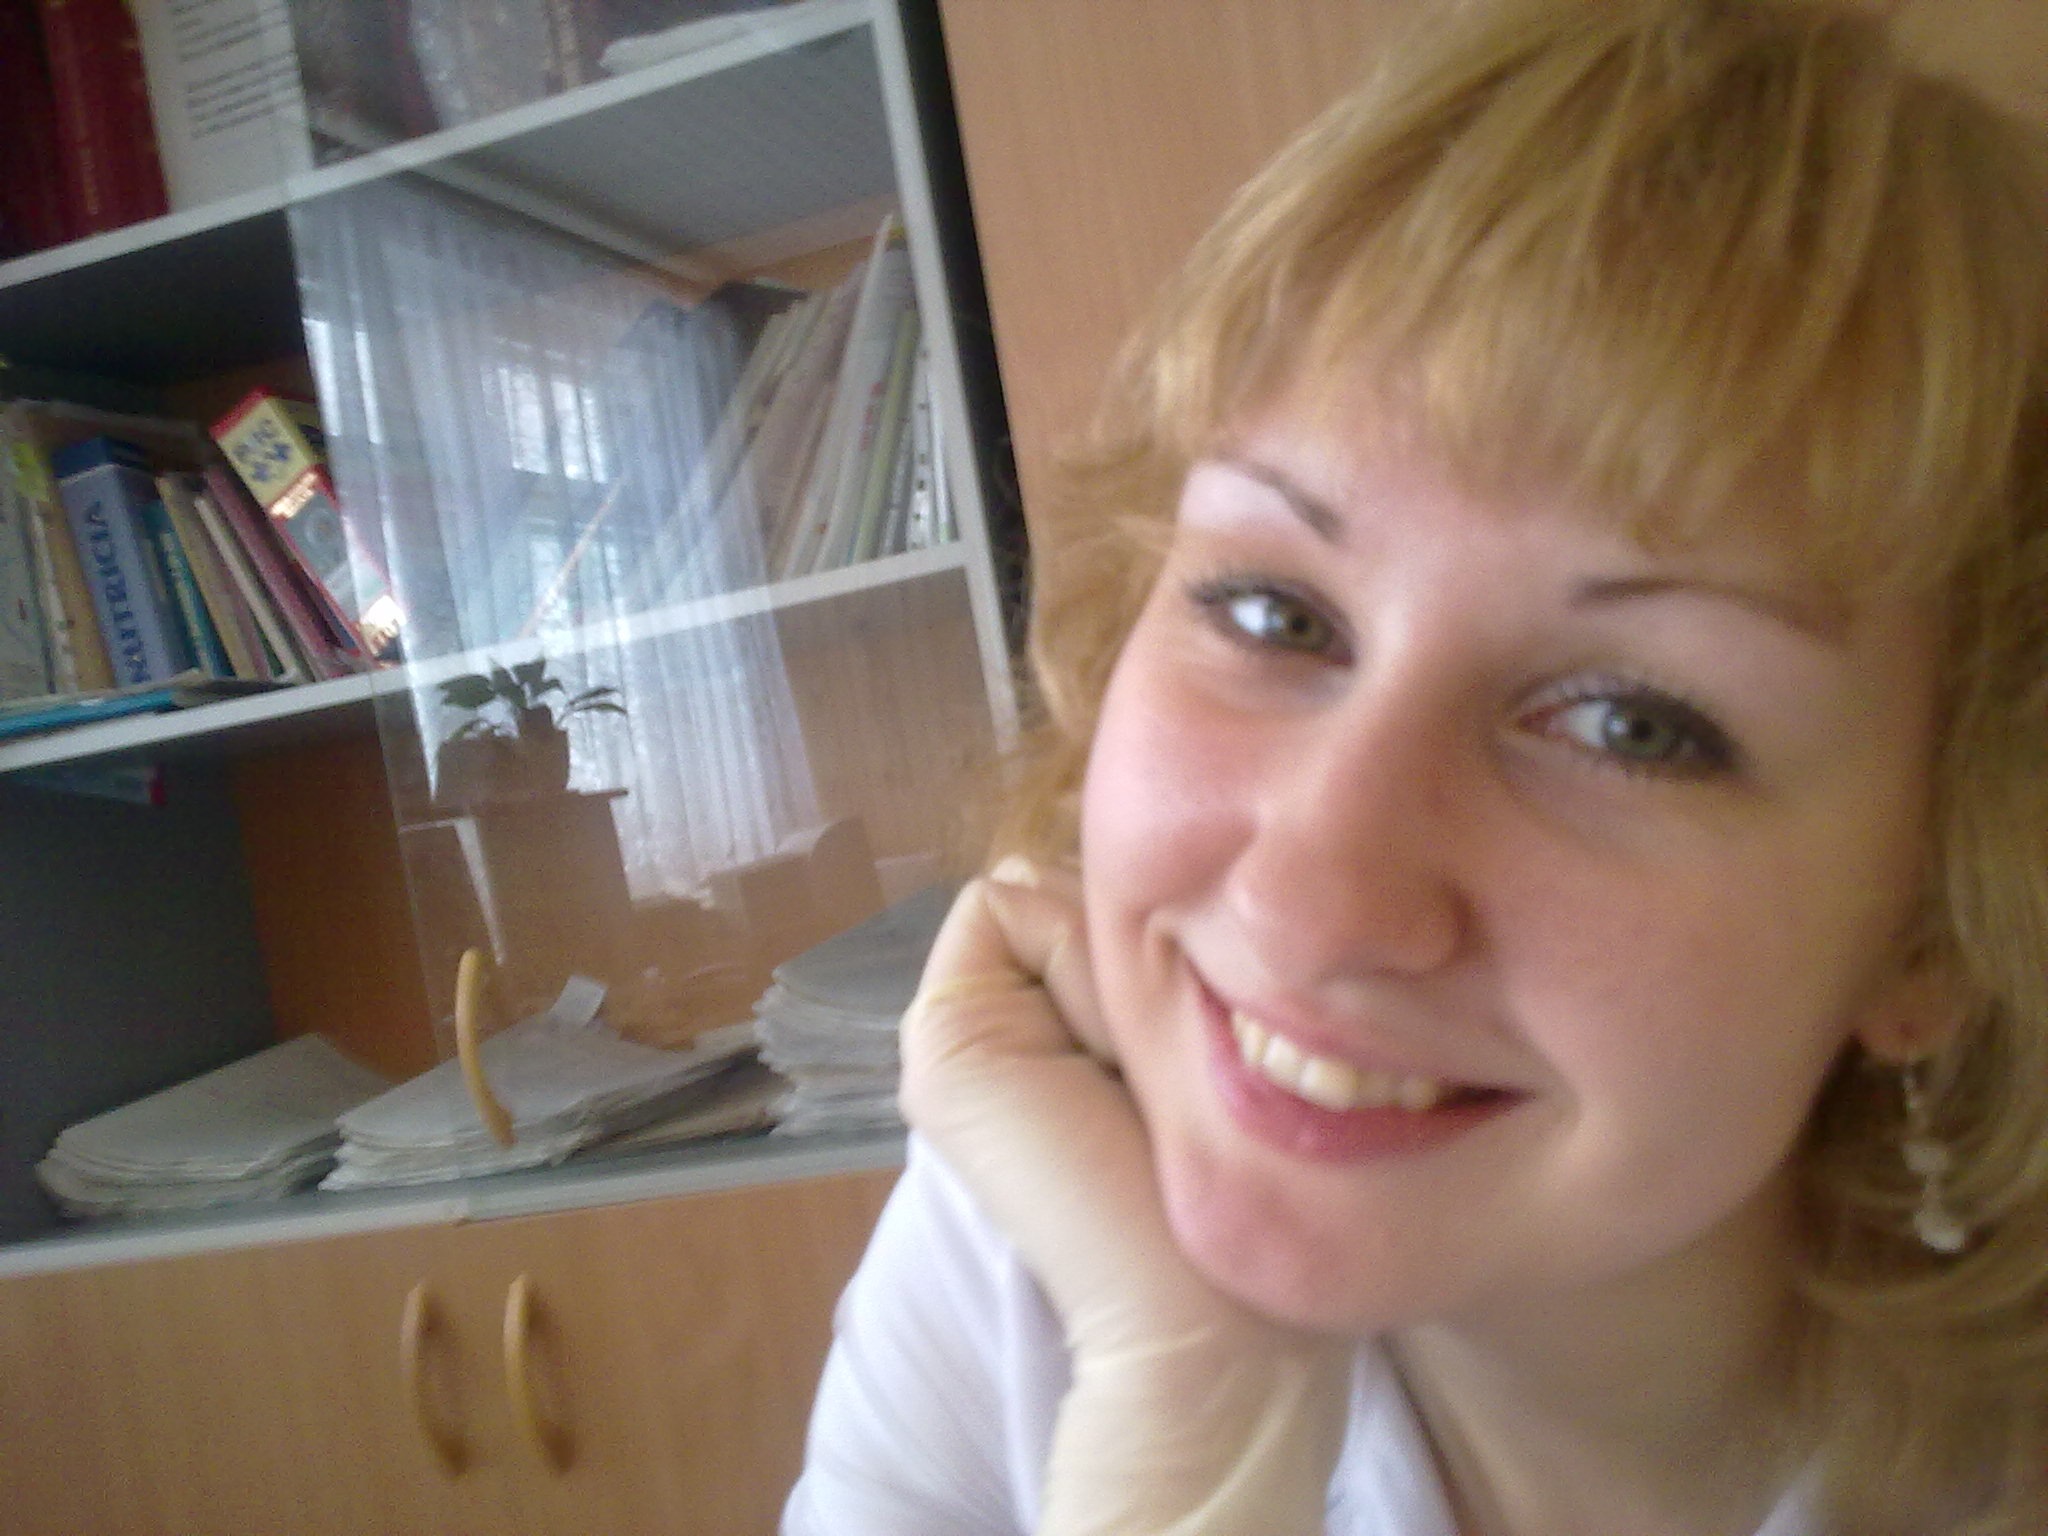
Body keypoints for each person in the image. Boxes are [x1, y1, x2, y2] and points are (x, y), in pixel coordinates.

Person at [783, 1, 2048, 1531]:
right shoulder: (1036, 1227)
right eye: (1275, 612)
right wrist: (1193, 1424)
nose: (1309, 903)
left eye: (1633, 726)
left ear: (1938, 921)